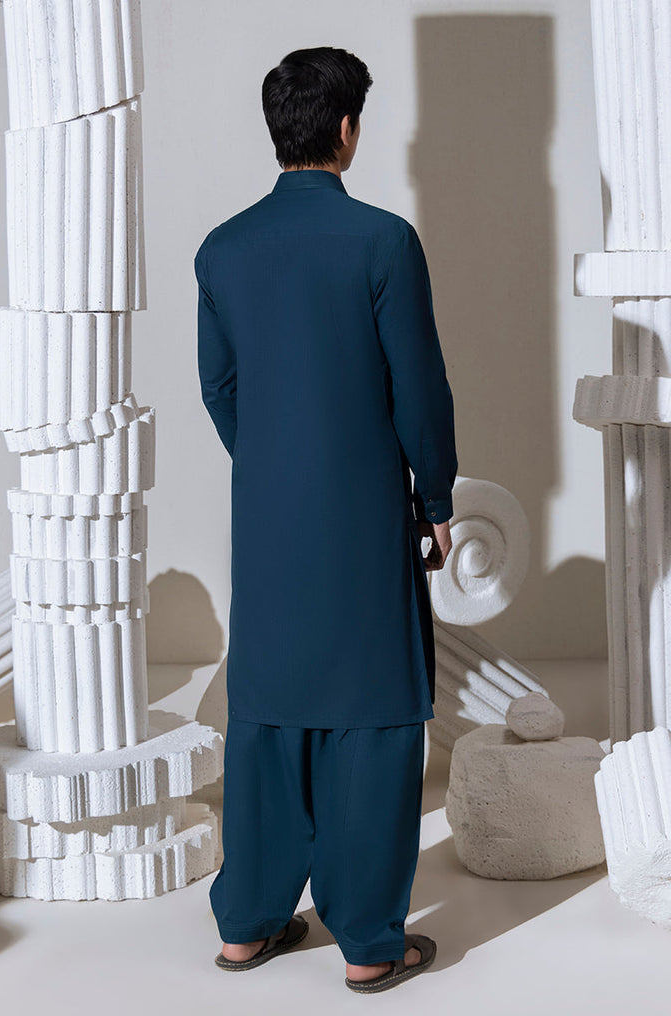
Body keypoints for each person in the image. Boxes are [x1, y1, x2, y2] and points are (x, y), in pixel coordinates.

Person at [194, 45, 458, 994]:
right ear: (346, 129)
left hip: (266, 512)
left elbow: (220, 386)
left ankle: (247, 925)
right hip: (363, 507)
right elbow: (418, 389)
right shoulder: (383, 242)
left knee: (268, 702)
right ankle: (370, 942)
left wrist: (273, 462)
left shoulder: (222, 249)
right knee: (373, 704)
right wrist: (435, 498)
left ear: (280, 130)